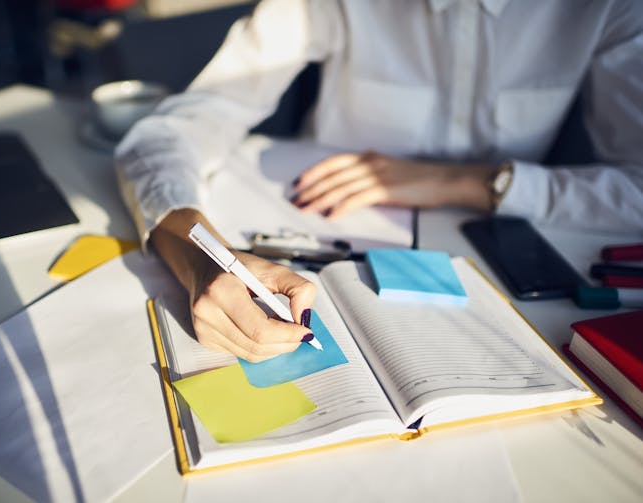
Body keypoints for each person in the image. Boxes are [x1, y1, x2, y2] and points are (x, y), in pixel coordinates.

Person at [115, 0, 643, 362]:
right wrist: (198, 254)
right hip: (317, 239)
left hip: (506, 289)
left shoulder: (606, 8)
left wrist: (476, 182)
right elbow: (168, 134)